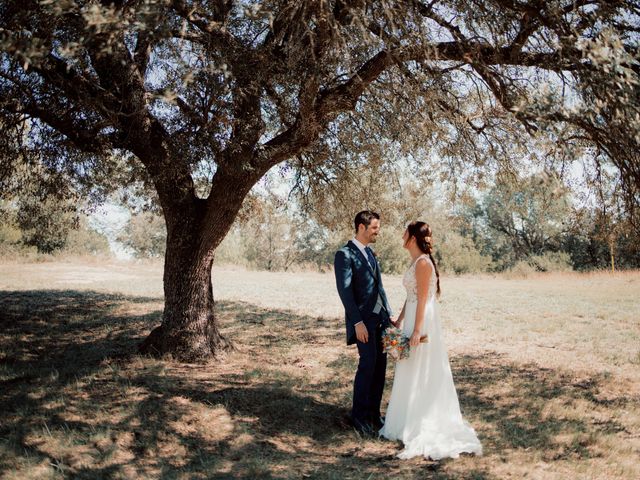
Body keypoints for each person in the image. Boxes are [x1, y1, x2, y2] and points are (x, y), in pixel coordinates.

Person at [379, 221, 483, 460]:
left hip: (423, 322)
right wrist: (400, 321)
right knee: (409, 366)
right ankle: (405, 419)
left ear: (413, 238)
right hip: (412, 320)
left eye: (405, 232)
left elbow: (424, 299)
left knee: (421, 368)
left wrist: (416, 330)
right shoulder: (415, 262)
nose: (402, 235)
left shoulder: (424, 263)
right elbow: (411, 296)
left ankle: (423, 420)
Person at [334, 210, 393, 435]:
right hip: (363, 324)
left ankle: (374, 414)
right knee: (367, 365)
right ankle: (358, 417)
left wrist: (390, 314)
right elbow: (345, 292)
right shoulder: (344, 254)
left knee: (380, 368)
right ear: (361, 227)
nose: (378, 231)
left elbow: (379, 287)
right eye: (374, 228)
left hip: (381, 320)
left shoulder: (370, 253)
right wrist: (357, 322)